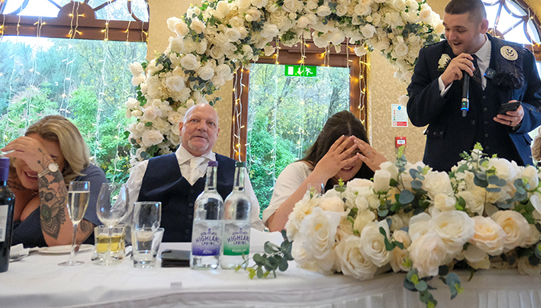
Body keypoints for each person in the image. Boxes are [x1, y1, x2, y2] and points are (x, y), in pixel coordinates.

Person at [407, 0, 541, 171]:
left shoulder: (520, 56)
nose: (451, 37)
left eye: (460, 30)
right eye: (447, 28)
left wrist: (523, 115)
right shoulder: (430, 56)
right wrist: (443, 80)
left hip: (510, 165)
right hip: (448, 167)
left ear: (483, 26)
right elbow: (415, 114)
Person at [125, 102, 263, 241]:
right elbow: (123, 222)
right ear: (180, 128)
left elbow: (253, 226)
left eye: (210, 124)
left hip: (217, 260)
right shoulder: (144, 169)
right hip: (156, 260)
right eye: (194, 120)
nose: (202, 127)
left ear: (217, 133)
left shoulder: (237, 172)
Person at [263, 111, 386, 232]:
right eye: (342, 153)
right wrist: (321, 174)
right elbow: (276, 227)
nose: (349, 161)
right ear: (325, 149)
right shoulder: (299, 171)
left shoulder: (372, 177)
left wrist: (387, 169)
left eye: (356, 153)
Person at [1, 115, 107, 247]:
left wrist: (47, 170)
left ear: (67, 162)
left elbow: (65, 240)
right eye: (29, 154)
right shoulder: (6, 171)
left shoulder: (87, 177)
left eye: (50, 158)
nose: (32, 166)